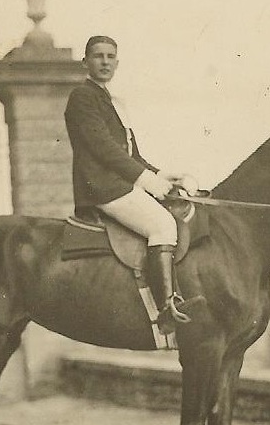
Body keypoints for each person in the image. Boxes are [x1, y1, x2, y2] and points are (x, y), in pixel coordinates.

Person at [64, 35, 197, 334]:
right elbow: (104, 149)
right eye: (98, 56)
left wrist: (162, 176)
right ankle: (167, 308)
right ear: (86, 62)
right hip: (102, 187)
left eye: (111, 56)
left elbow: (131, 155)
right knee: (163, 226)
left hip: (121, 184)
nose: (105, 62)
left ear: (117, 62)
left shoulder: (110, 102)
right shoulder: (82, 97)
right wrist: (147, 181)